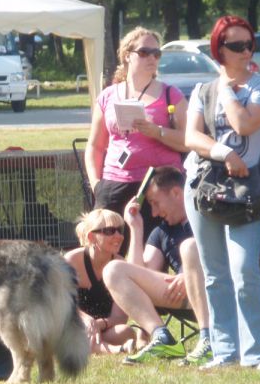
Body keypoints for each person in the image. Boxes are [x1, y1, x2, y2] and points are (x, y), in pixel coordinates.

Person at [183, 15, 260, 371]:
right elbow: (191, 138)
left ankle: (258, 354)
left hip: (247, 189)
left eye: (249, 44)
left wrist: (226, 88)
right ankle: (225, 352)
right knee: (214, 273)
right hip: (203, 185)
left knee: (245, 270)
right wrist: (224, 153)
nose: (246, 51)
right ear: (219, 50)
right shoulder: (201, 90)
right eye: (236, 46)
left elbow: (244, 123)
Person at [85, 27, 188, 241]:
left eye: (156, 53)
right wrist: (97, 184)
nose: (151, 57)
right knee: (108, 248)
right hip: (114, 183)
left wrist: (157, 132)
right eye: (144, 52)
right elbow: (95, 146)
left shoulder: (171, 94)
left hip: (157, 186)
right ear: (126, 55)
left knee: (153, 254)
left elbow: (189, 141)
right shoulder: (108, 96)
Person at [104, 166, 212, 365]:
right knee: (113, 271)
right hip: (180, 294)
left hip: (214, 288)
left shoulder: (206, 215)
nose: (153, 212)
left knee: (190, 247)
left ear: (176, 193)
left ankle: (209, 340)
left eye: (155, 203)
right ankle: (161, 336)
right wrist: (135, 227)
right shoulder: (162, 231)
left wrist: (189, 275)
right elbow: (140, 276)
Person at [64, 208, 135, 354]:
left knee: (126, 331)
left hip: (104, 329)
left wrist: (98, 324)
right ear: (91, 237)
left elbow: (119, 317)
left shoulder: (122, 266)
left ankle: (97, 346)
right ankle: (117, 350)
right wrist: (86, 320)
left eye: (119, 230)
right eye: (109, 231)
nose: (119, 236)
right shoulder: (71, 261)